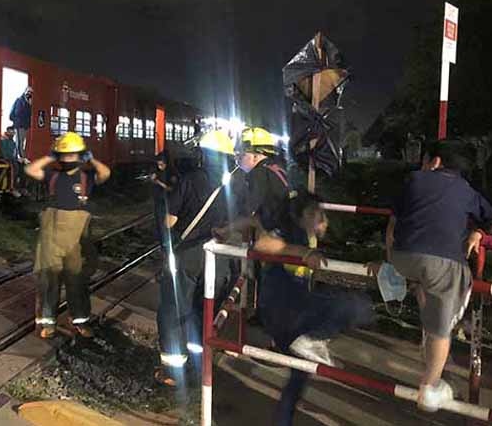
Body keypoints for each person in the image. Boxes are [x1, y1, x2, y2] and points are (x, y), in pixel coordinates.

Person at [384, 139, 492, 412]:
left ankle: (424, 305)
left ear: (435, 162)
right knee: (441, 330)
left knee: (427, 287)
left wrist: (390, 257)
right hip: (442, 265)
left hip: (402, 258)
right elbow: (488, 216)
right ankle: (429, 388)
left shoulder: (414, 180)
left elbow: (393, 222)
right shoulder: (465, 190)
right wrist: (477, 232)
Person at [253, 192, 374, 426]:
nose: (325, 220)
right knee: (356, 306)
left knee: (300, 372)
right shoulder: (293, 233)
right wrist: (304, 253)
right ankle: (312, 339)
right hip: (284, 310)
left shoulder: (307, 236)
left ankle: (283, 421)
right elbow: (263, 244)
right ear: (306, 215)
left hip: (290, 310)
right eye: (320, 214)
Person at [156, 130, 235, 386]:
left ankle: (172, 371)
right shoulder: (235, 184)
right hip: (220, 256)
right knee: (206, 309)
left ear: (203, 154)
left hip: (189, 255)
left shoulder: (191, 180)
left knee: (174, 308)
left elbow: (170, 220)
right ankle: (201, 362)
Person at [25, 132, 111, 339]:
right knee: (48, 281)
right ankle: (48, 324)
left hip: (76, 240)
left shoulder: (86, 177)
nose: (67, 159)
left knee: (77, 282)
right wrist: (50, 156)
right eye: (63, 155)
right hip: (51, 240)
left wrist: (91, 160)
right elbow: (30, 169)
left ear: (80, 155)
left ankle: (80, 321)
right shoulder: (53, 175)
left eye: (72, 155)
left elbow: (105, 173)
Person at [150, 150, 178, 250]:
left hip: (168, 201)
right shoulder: (157, 171)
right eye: (158, 164)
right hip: (159, 200)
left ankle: (168, 243)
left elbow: (172, 188)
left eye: (161, 164)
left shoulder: (172, 173)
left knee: (166, 224)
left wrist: (159, 183)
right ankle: (163, 243)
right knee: (159, 223)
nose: (159, 167)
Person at [9, 86, 32, 161]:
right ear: (25, 91)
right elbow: (17, 113)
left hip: (24, 126)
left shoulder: (28, 102)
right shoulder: (20, 101)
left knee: (21, 142)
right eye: (28, 92)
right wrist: (28, 105)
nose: (29, 94)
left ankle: (15, 158)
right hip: (20, 125)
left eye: (31, 92)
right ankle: (21, 157)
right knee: (20, 142)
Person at [0, 126, 21, 197]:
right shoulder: (3, 140)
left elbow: (15, 153)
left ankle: (21, 187)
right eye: (11, 132)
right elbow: (4, 153)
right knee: (13, 167)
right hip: (4, 159)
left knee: (23, 166)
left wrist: (20, 159)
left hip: (12, 159)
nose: (12, 133)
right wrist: (15, 159)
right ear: (7, 132)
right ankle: (12, 188)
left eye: (13, 132)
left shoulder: (12, 142)